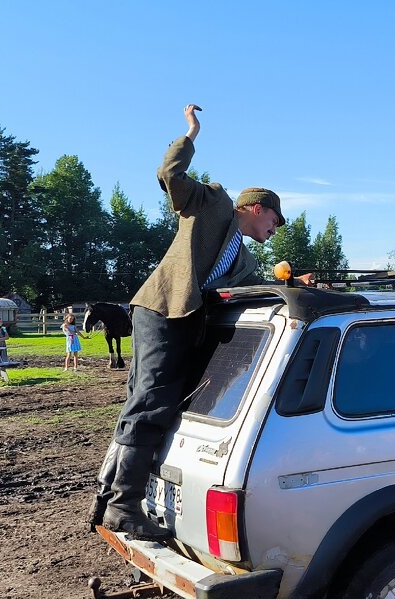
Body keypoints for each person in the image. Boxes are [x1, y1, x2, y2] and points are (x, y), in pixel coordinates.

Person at [90, 104, 313, 540]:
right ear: (255, 207)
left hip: (184, 322)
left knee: (151, 402)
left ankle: (107, 497)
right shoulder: (214, 203)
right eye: (274, 219)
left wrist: (301, 284)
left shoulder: (243, 257)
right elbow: (171, 174)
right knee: (152, 401)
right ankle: (122, 506)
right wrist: (191, 132)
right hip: (161, 309)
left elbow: (256, 287)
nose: (276, 229)